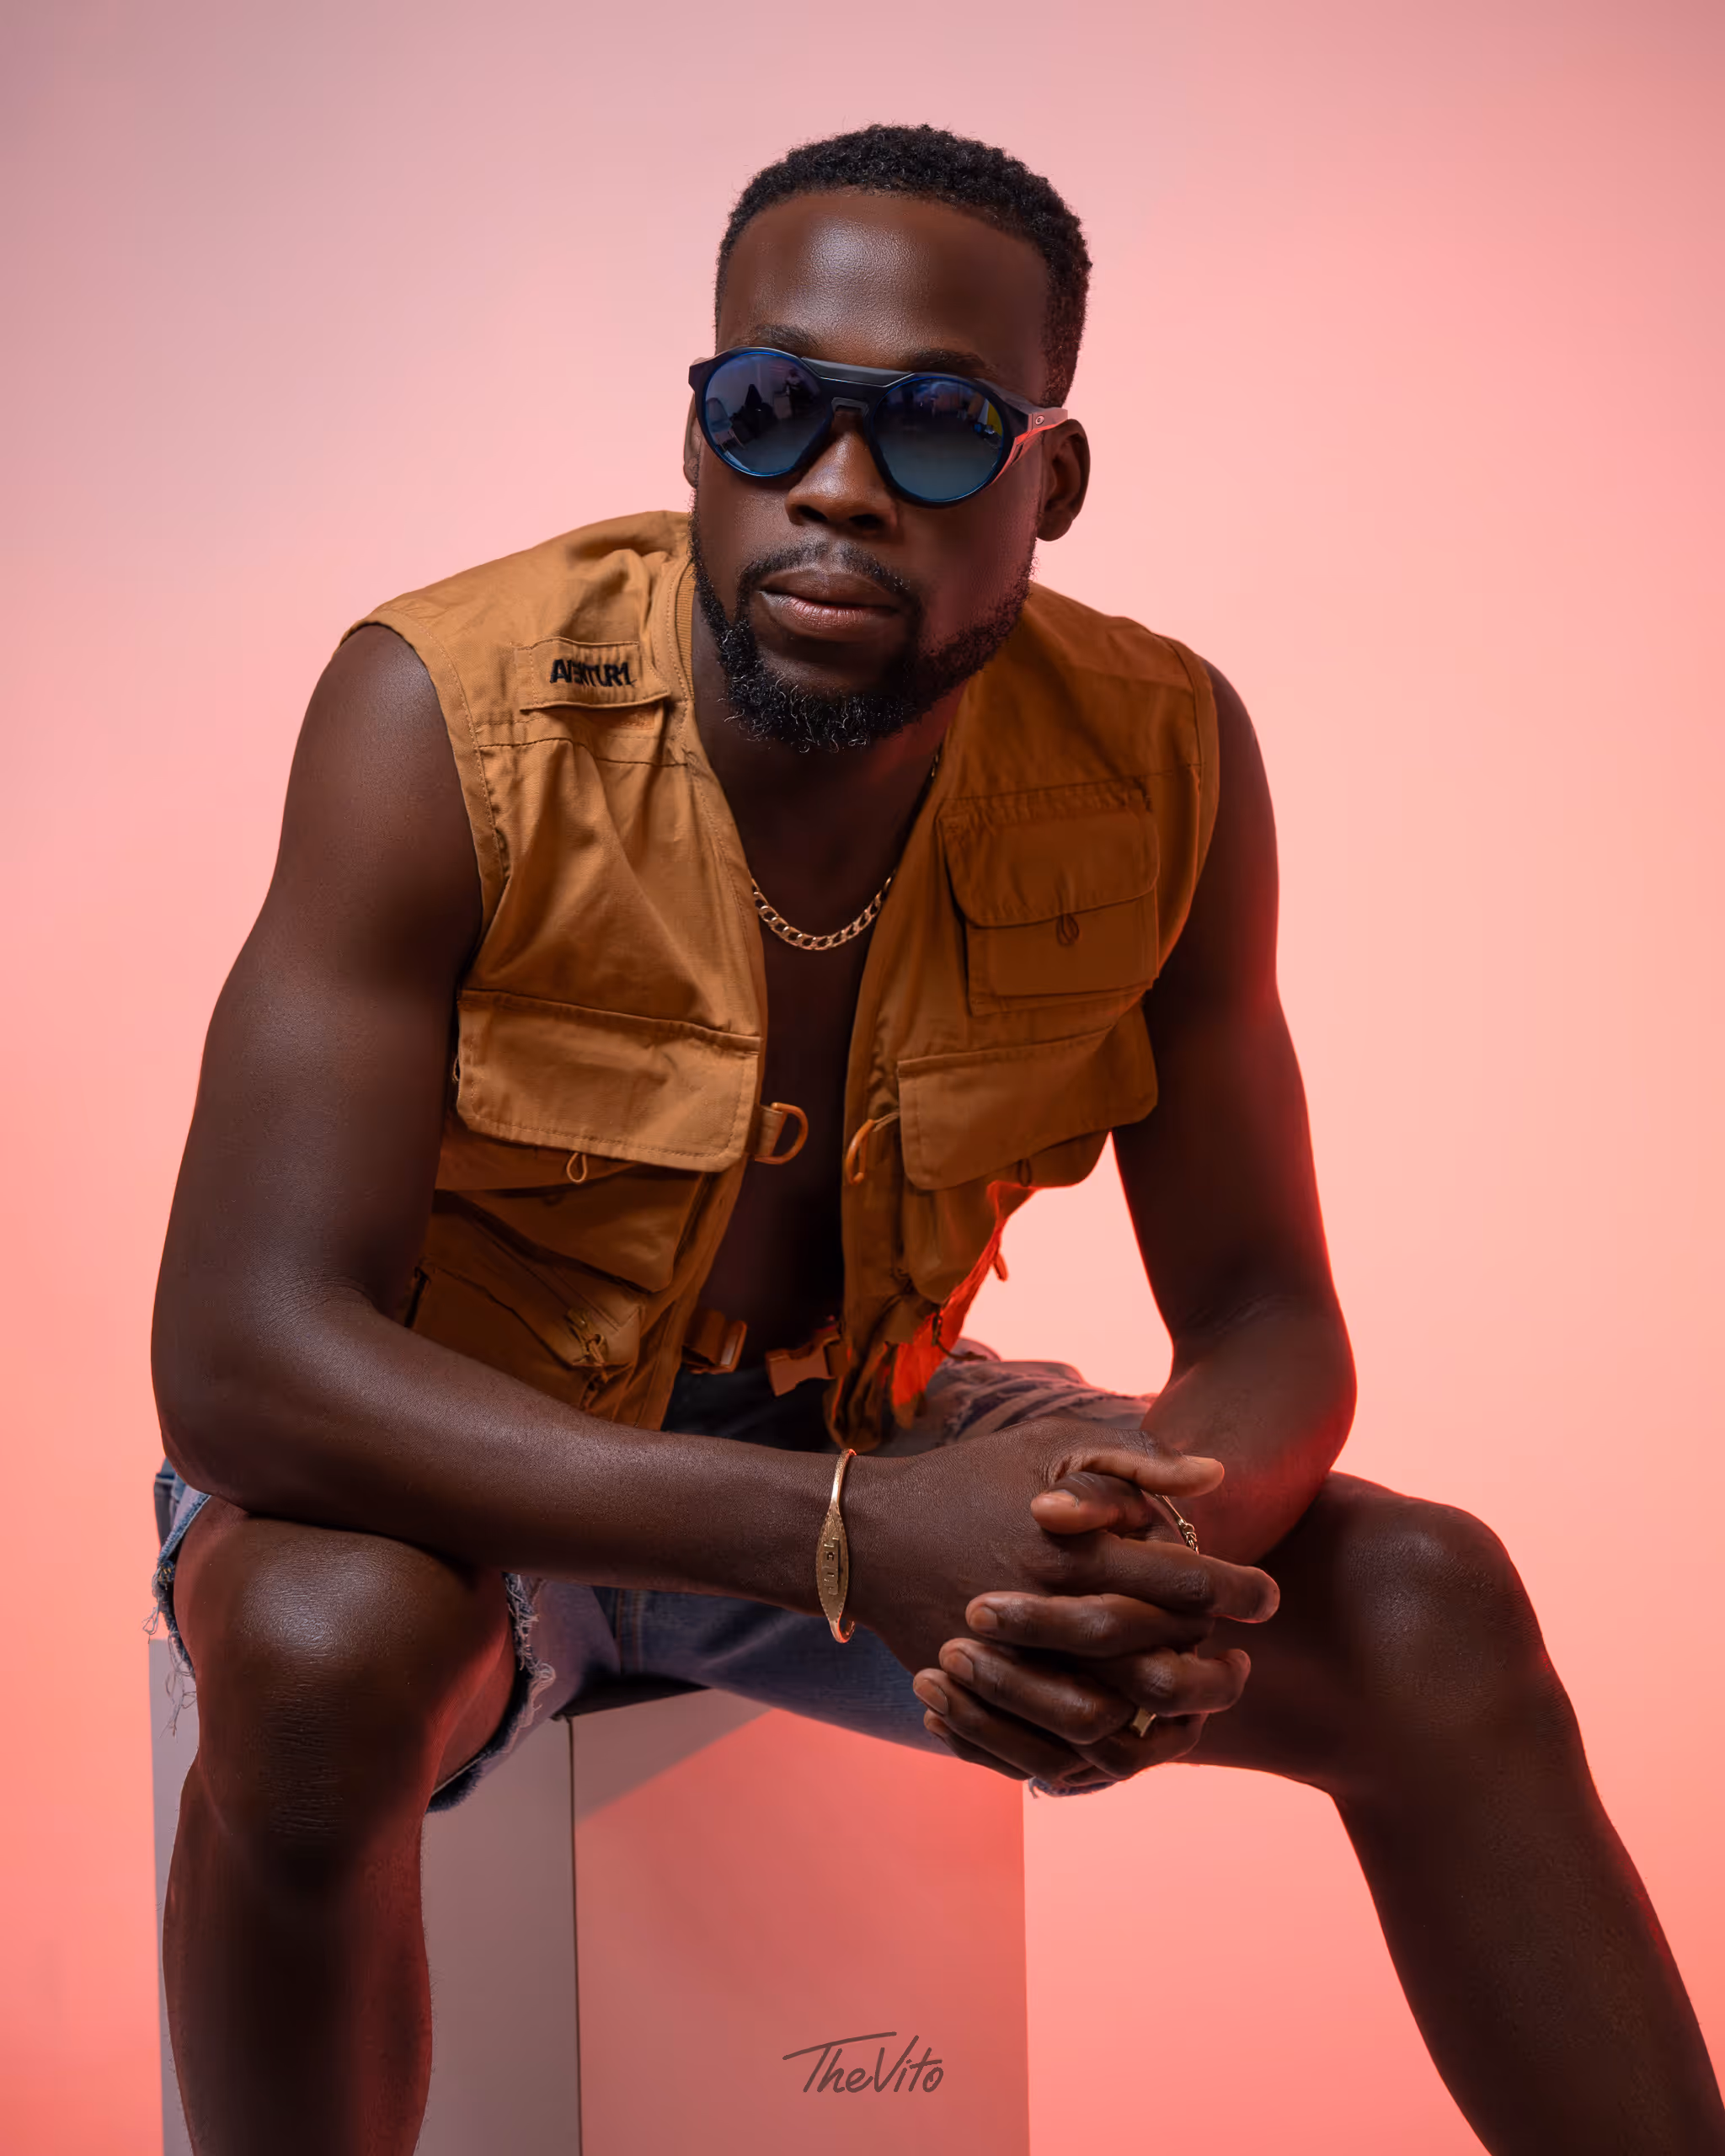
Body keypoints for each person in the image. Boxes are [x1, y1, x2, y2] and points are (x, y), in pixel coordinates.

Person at [148, 123, 1724, 2156]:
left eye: (938, 433)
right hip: (474, 1460)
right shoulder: (438, 713)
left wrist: (1136, 1540)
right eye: (772, 407)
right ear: (701, 433)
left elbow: (1263, 1310)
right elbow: (244, 1358)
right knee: (314, 1652)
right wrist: (848, 1541)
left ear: (1050, 480)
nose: (836, 485)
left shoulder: (1165, 753)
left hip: (874, 1416)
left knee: (1427, 1598)